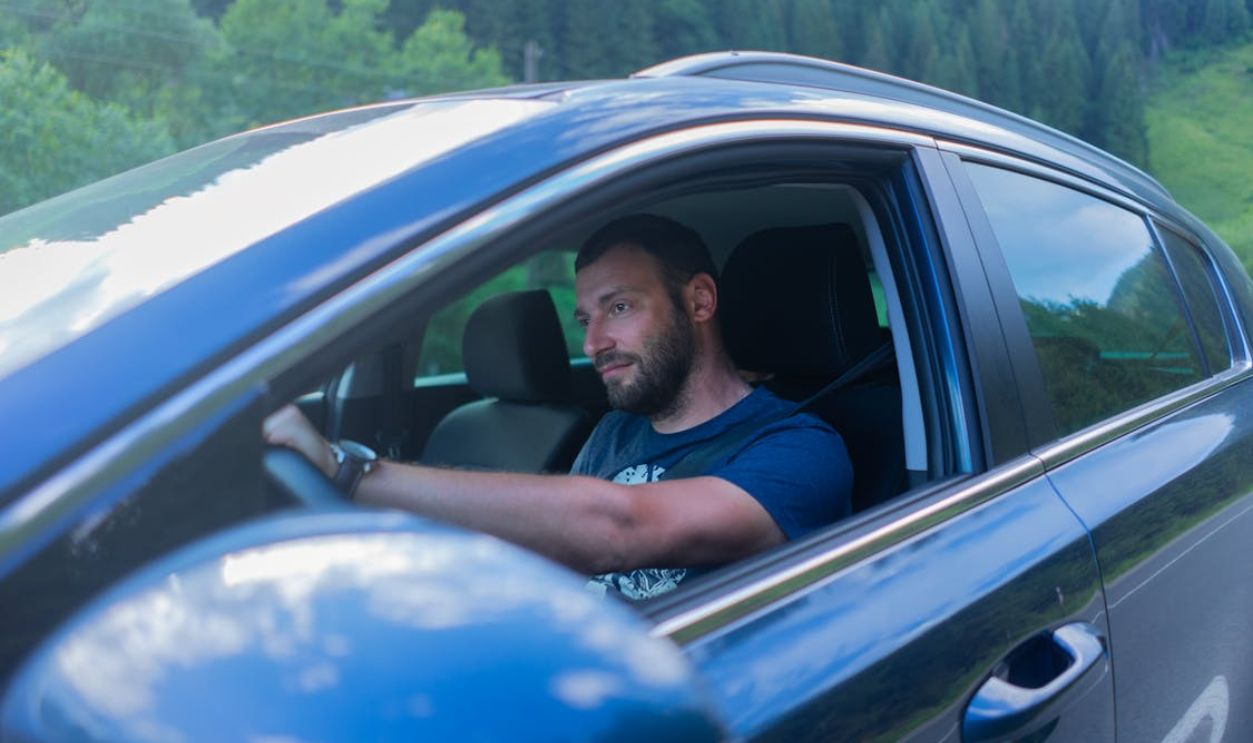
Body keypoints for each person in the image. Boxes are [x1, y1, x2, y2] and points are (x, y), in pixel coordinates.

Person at [265, 214, 852, 600]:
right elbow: (559, 559)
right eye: (584, 319)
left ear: (699, 301)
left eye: (619, 307)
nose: (593, 343)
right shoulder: (614, 431)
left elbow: (618, 529)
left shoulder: (801, 449)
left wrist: (348, 472)